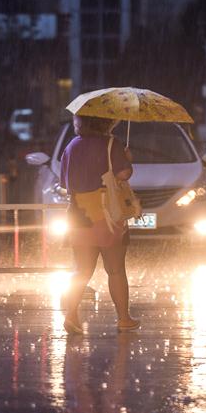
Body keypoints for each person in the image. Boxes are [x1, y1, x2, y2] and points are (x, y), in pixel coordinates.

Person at [60, 114, 140, 334]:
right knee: (115, 270)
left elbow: (65, 183)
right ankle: (124, 318)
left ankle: (71, 314)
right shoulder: (112, 144)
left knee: (81, 270)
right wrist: (127, 158)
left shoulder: (71, 146)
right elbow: (123, 174)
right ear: (106, 121)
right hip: (107, 216)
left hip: (78, 215)